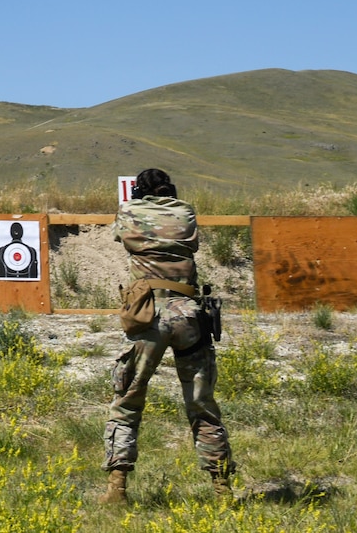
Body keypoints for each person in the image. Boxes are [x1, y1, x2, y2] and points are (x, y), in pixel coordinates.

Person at [103, 167, 233, 505]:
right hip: (189, 314)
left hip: (146, 315)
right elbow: (191, 241)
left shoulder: (130, 211)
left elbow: (122, 236)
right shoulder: (186, 212)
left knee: (127, 404)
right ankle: (222, 490)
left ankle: (117, 490)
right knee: (202, 405)